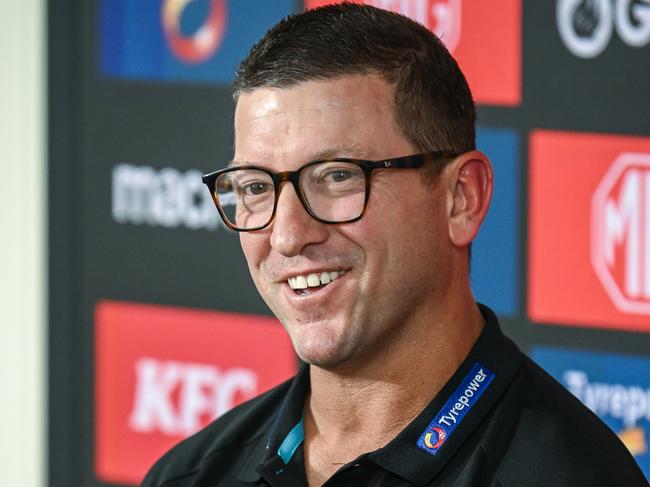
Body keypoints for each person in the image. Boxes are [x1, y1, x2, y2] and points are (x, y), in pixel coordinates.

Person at [142, 4, 646, 486]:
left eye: (336, 177)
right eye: (255, 187)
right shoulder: (190, 475)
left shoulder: (573, 476)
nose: (289, 235)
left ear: (460, 199)